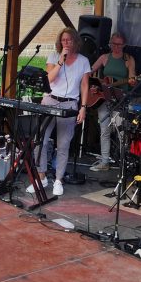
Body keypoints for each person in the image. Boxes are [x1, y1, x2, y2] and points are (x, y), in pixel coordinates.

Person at [27, 27, 90, 197]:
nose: (66, 43)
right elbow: (48, 79)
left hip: (69, 103)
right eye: (63, 40)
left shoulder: (83, 61)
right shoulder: (54, 56)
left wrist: (83, 107)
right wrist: (60, 61)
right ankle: (41, 177)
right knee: (40, 140)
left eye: (69, 40)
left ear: (75, 41)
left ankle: (58, 180)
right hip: (50, 99)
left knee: (63, 144)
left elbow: (85, 85)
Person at [89, 32, 136, 171]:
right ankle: (105, 161)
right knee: (104, 129)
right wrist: (93, 85)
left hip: (121, 99)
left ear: (124, 45)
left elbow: (132, 78)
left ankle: (123, 163)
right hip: (104, 97)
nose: (116, 47)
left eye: (119, 44)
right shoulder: (105, 57)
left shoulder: (128, 59)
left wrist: (133, 81)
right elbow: (89, 72)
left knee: (121, 131)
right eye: (113, 44)